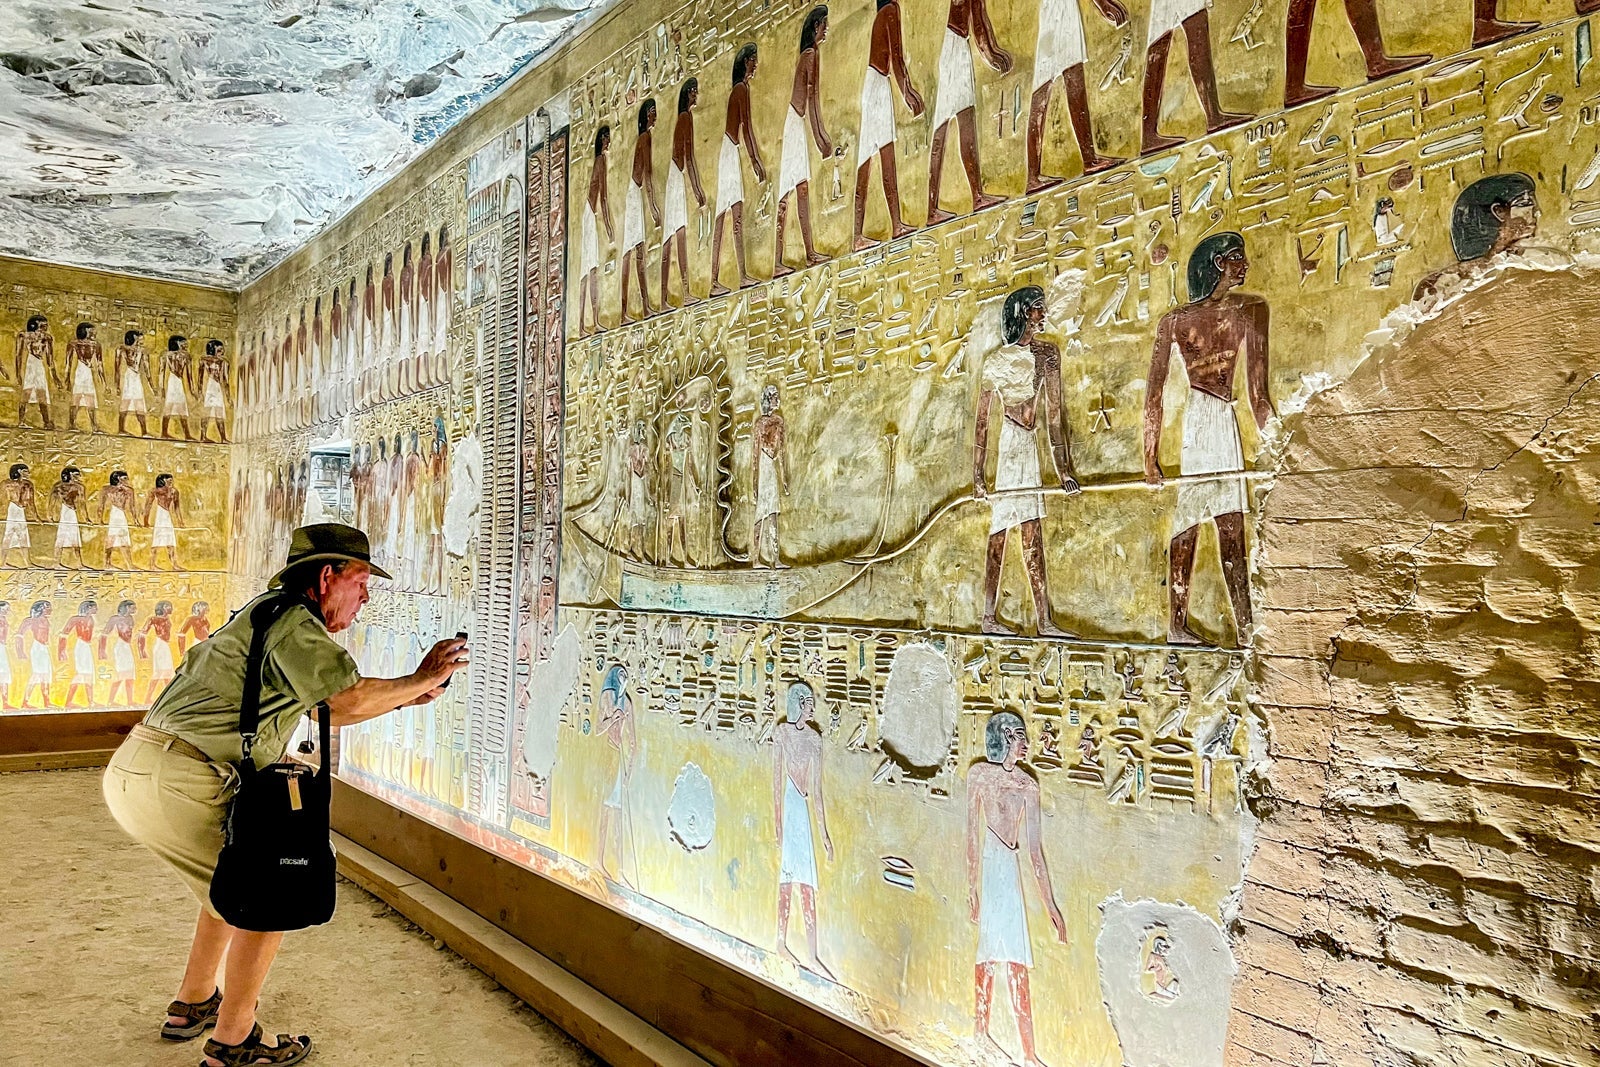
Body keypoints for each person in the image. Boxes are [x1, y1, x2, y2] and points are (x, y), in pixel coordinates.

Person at [103, 524, 469, 1066]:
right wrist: (421, 678)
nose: (366, 597)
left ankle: (194, 1000)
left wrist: (404, 696)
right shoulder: (296, 624)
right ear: (326, 577)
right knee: (273, 889)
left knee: (232, 878)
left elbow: (331, 709)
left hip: (140, 771)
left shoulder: (266, 613)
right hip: (183, 779)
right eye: (361, 582)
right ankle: (233, 1040)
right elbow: (346, 698)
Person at [1144, 233, 1273, 647]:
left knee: (1230, 528)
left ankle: (1244, 626)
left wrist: (1279, 447)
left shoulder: (1251, 309)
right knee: (1191, 522)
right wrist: (1149, 459)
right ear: (1218, 264)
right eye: (1237, 258)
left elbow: (1258, 396)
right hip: (1200, 422)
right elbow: (1154, 394)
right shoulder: (1176, 321)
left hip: (1220, 419)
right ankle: (1178, 624)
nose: (1245, 265)